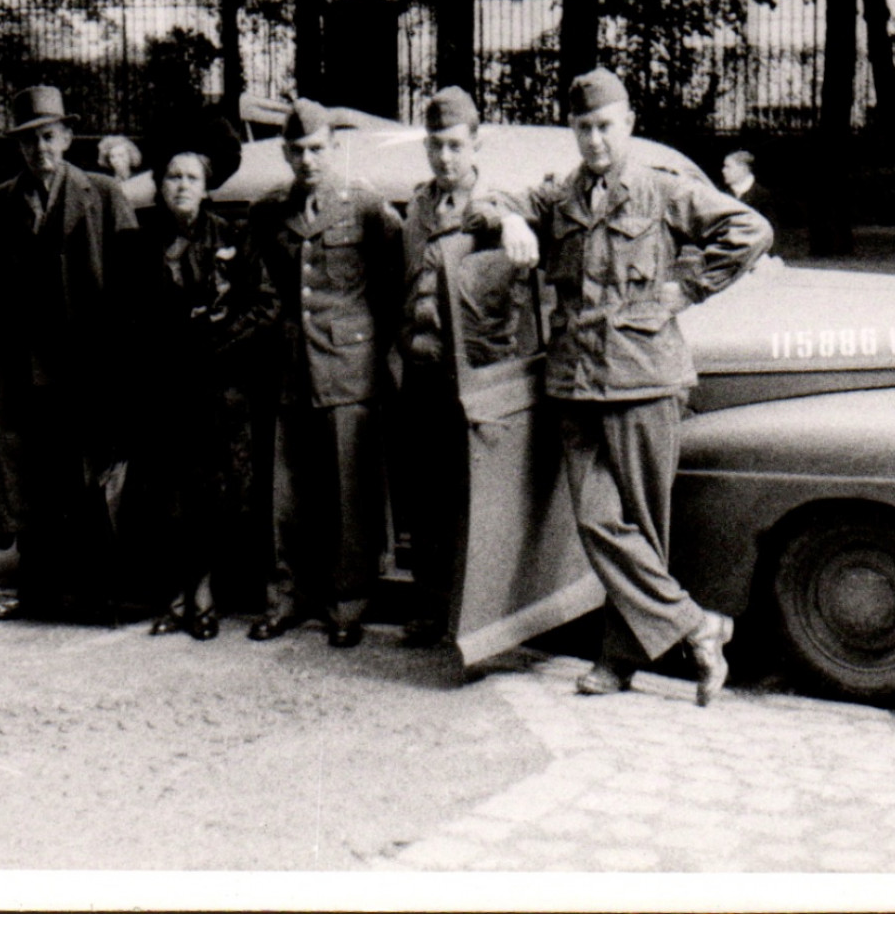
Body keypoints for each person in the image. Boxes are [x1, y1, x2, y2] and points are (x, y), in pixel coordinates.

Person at [476, 68, 771, 705]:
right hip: (578, 383)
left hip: (645, 379)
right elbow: (485, 199)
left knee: (641, 526)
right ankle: (699, 626)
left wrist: (685, 287)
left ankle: (619, 661)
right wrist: (509, 222)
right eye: (582, 128)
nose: (594, 140)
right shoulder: (559, 197)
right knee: (598, 521)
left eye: (604, 126)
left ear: (628, 124)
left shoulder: (661, 192)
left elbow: (750, 231)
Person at [0, 85, 143, 621]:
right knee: (28, 486)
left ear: (66, 137)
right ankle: (36, 595)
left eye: (48, 136)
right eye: (28, 141)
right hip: (19, 374)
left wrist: (121, 368)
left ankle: (96, 598)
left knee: (85, 486)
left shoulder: (104, 196)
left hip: (85, 372)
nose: (40, 149)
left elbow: (133, 292)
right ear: (17, 148)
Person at [245, 99, 403, 649]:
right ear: (286, 153)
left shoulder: (363, 207)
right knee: (287, 496)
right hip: (290, 368)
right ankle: (286, 599)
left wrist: (381, 358)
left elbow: (392, 285)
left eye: (317, 149)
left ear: (334, 149)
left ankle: (347, 604)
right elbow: (258, 287)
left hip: (349, 368)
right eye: (298, 151)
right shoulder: (269, 211)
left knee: (347, 494)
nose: (308, 160)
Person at [126, 144, 278, 641]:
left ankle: (206, 595)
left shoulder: (232, 238)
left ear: (207, 187)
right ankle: (175, 597)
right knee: (167, 496)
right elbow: (126, 314)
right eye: (173, 176)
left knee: (214, 497)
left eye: (192, 177)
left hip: (218, 391)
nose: (182, 185)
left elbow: (265, 306)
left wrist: (217, 343)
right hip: (163, 390)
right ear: (161, 185)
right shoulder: (142, 243)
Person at [390, 86, 520, 648]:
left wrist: (507, 222)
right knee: (426, 497)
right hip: (422, 374)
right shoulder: (418, 205)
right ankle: (431, 605)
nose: (444, 157)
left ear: (476, 143)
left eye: (454, 145)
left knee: (478, 501)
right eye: (434, 145)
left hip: (479, 375)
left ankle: (482, 615)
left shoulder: (498, 206)